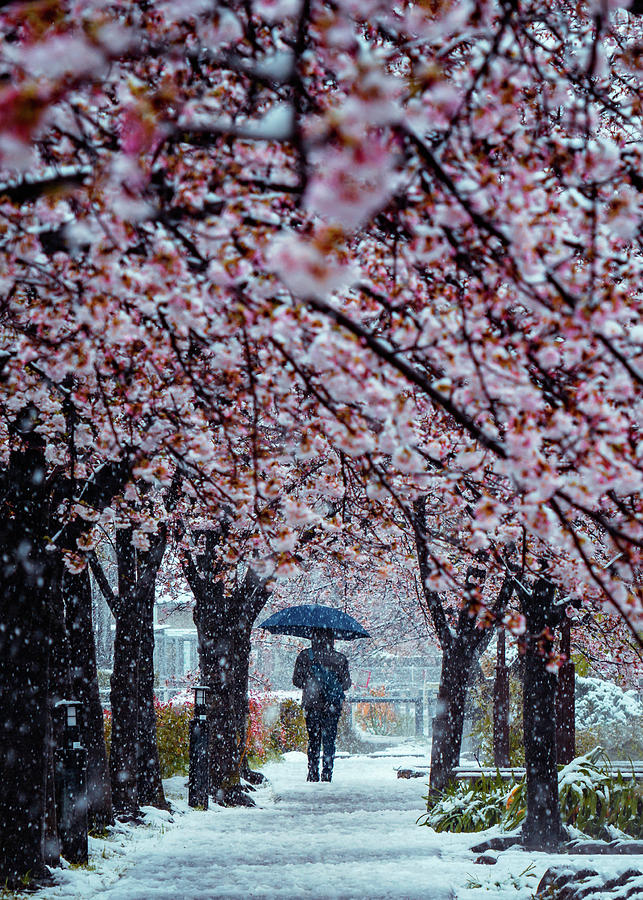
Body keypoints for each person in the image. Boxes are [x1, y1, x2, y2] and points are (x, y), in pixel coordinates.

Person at [292, 629, 351, 782]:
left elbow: (296, 681)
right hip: (332, 706)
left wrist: (311, 683)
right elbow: (346, 684)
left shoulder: (305, 656)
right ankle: (327, 773)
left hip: (312, 704)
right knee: (329, 739)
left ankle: (312, 772)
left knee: (313, 739)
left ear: (313, 637)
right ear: (332, 639)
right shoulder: (339, 658)